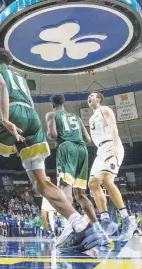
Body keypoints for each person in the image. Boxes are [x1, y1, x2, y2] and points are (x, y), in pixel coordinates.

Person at [0, 48, 102, 251]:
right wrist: (17, 139)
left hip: (13, 112)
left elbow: (1, 86)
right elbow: (31, 104)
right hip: (32, 118)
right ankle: (81, 226)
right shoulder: (21, 78)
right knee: (40, 183)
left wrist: (6, 120)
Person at [45, 94, 109, 246]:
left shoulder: (52, 114)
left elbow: (52, 134)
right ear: (64, 103)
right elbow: (87, 140)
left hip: (66, 147)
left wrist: (53, 135)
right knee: (80, 194)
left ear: (53, 105)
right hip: (82, 150)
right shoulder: (76, 117)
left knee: (64, 187)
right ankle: (100, 231)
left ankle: (69, 226)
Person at [87, 91, 136, 241]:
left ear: (99, 99)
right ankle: (106, 220)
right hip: (100, 150)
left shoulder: (104, 109)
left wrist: (115, 144)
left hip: (110, 145)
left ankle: (126, 219)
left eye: (92, 96)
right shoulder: (91, 118)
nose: (89, 98)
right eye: (88, 97)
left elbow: (113, 126)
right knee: (93, 184)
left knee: (107, 180)